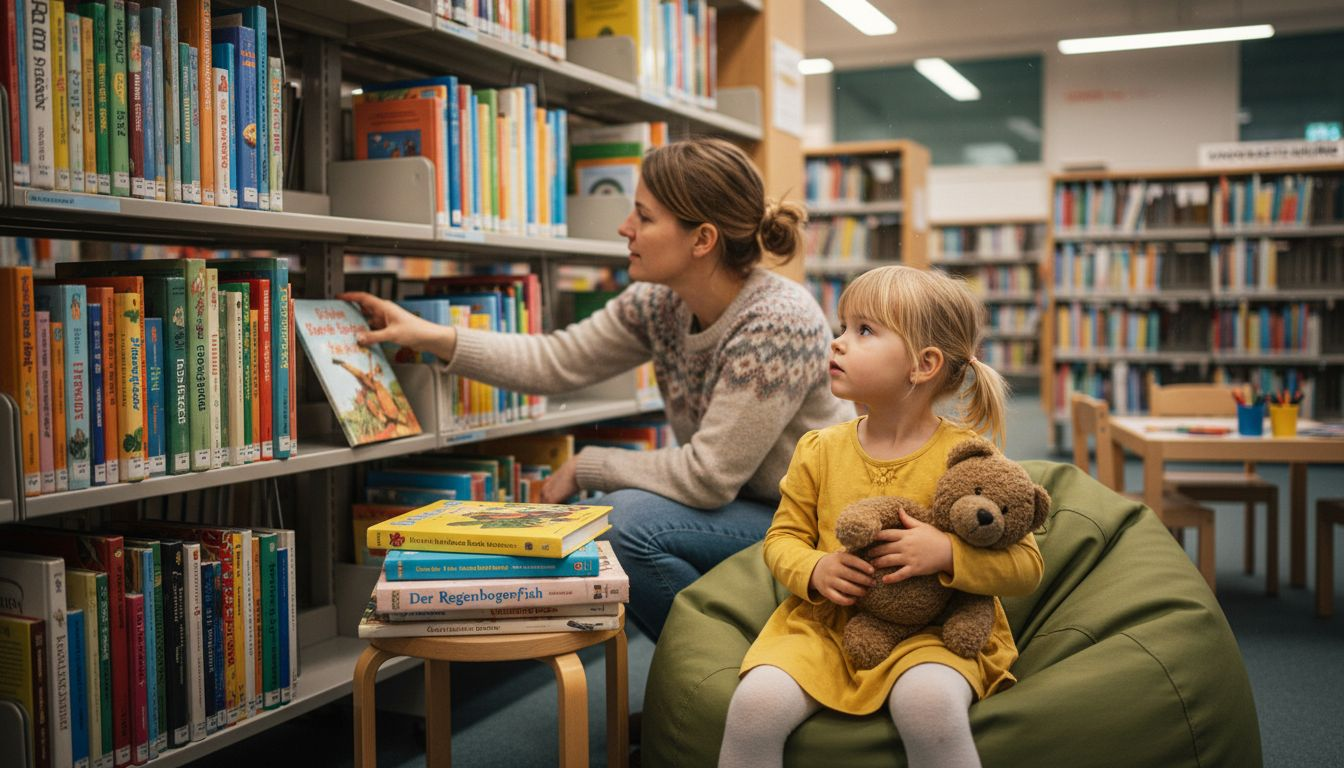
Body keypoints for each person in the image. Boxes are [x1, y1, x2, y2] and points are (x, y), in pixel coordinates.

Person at [341, 137, 852, 639]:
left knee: (627, 524)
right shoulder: (659, 302)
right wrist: (428, 335)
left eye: (644, 217)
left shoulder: (776, 321)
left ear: (702, 240)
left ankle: (724, 663)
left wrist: (589, 466)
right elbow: (556, 361)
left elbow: (709, 475)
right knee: (625, 522)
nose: (624, 227)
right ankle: (724, 664)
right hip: (740, 508)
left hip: (804, 522)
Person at [717, 266, 1044, 768]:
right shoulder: (819, 448)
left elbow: (1027, 567)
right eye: (843, 326)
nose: (838, 342)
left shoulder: (968, 457)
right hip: (829, 626)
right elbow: (782, 538)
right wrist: (814, 569)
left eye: (864, 331)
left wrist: (948, 553)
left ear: (924, 364)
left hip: (936, 630)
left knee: (928, 705)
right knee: (753, 706)